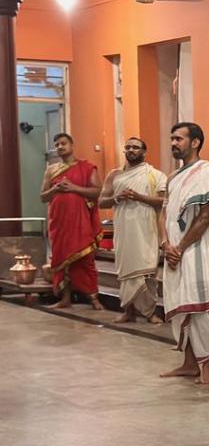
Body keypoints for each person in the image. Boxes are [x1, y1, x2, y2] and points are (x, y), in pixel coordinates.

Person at [159, 122, 209, 386]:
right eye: (172, 138)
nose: (173, 143)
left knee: (202, 306)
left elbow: (205, 217)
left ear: (195, 142)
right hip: (173, 251)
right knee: (182, 304)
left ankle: (207, 368)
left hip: (197, 251)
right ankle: (189, 364)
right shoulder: (173, 177)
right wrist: (165, 244)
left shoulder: (208, 173)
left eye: (178, 139)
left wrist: (179, 248)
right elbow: (164, 214)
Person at [99, 137, 167, 324]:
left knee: (148, 273)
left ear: (144, 152)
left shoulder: (155, 175)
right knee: (127, 273)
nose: (131, 150)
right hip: (124, 231)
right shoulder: (114, 175)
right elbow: (101, 202)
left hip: (147, 230)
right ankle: (129, 312)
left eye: (135, 147)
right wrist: (117, 197)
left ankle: (150, 313)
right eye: (128, 147)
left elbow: (163, 201)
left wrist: (138, 197)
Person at [40, 132, 103, 310]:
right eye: (57, 145)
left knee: (86, 260)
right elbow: (43, 197)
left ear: (72, 145)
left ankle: (94, 298)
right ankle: (65, 299)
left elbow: (97, 191)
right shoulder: (51, 170)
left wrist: (73, 187)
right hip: (58, 222)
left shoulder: (87, 167)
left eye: (63, 143)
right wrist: (55, 189)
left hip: (80, 221)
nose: (60, 147)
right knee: (61, 260)